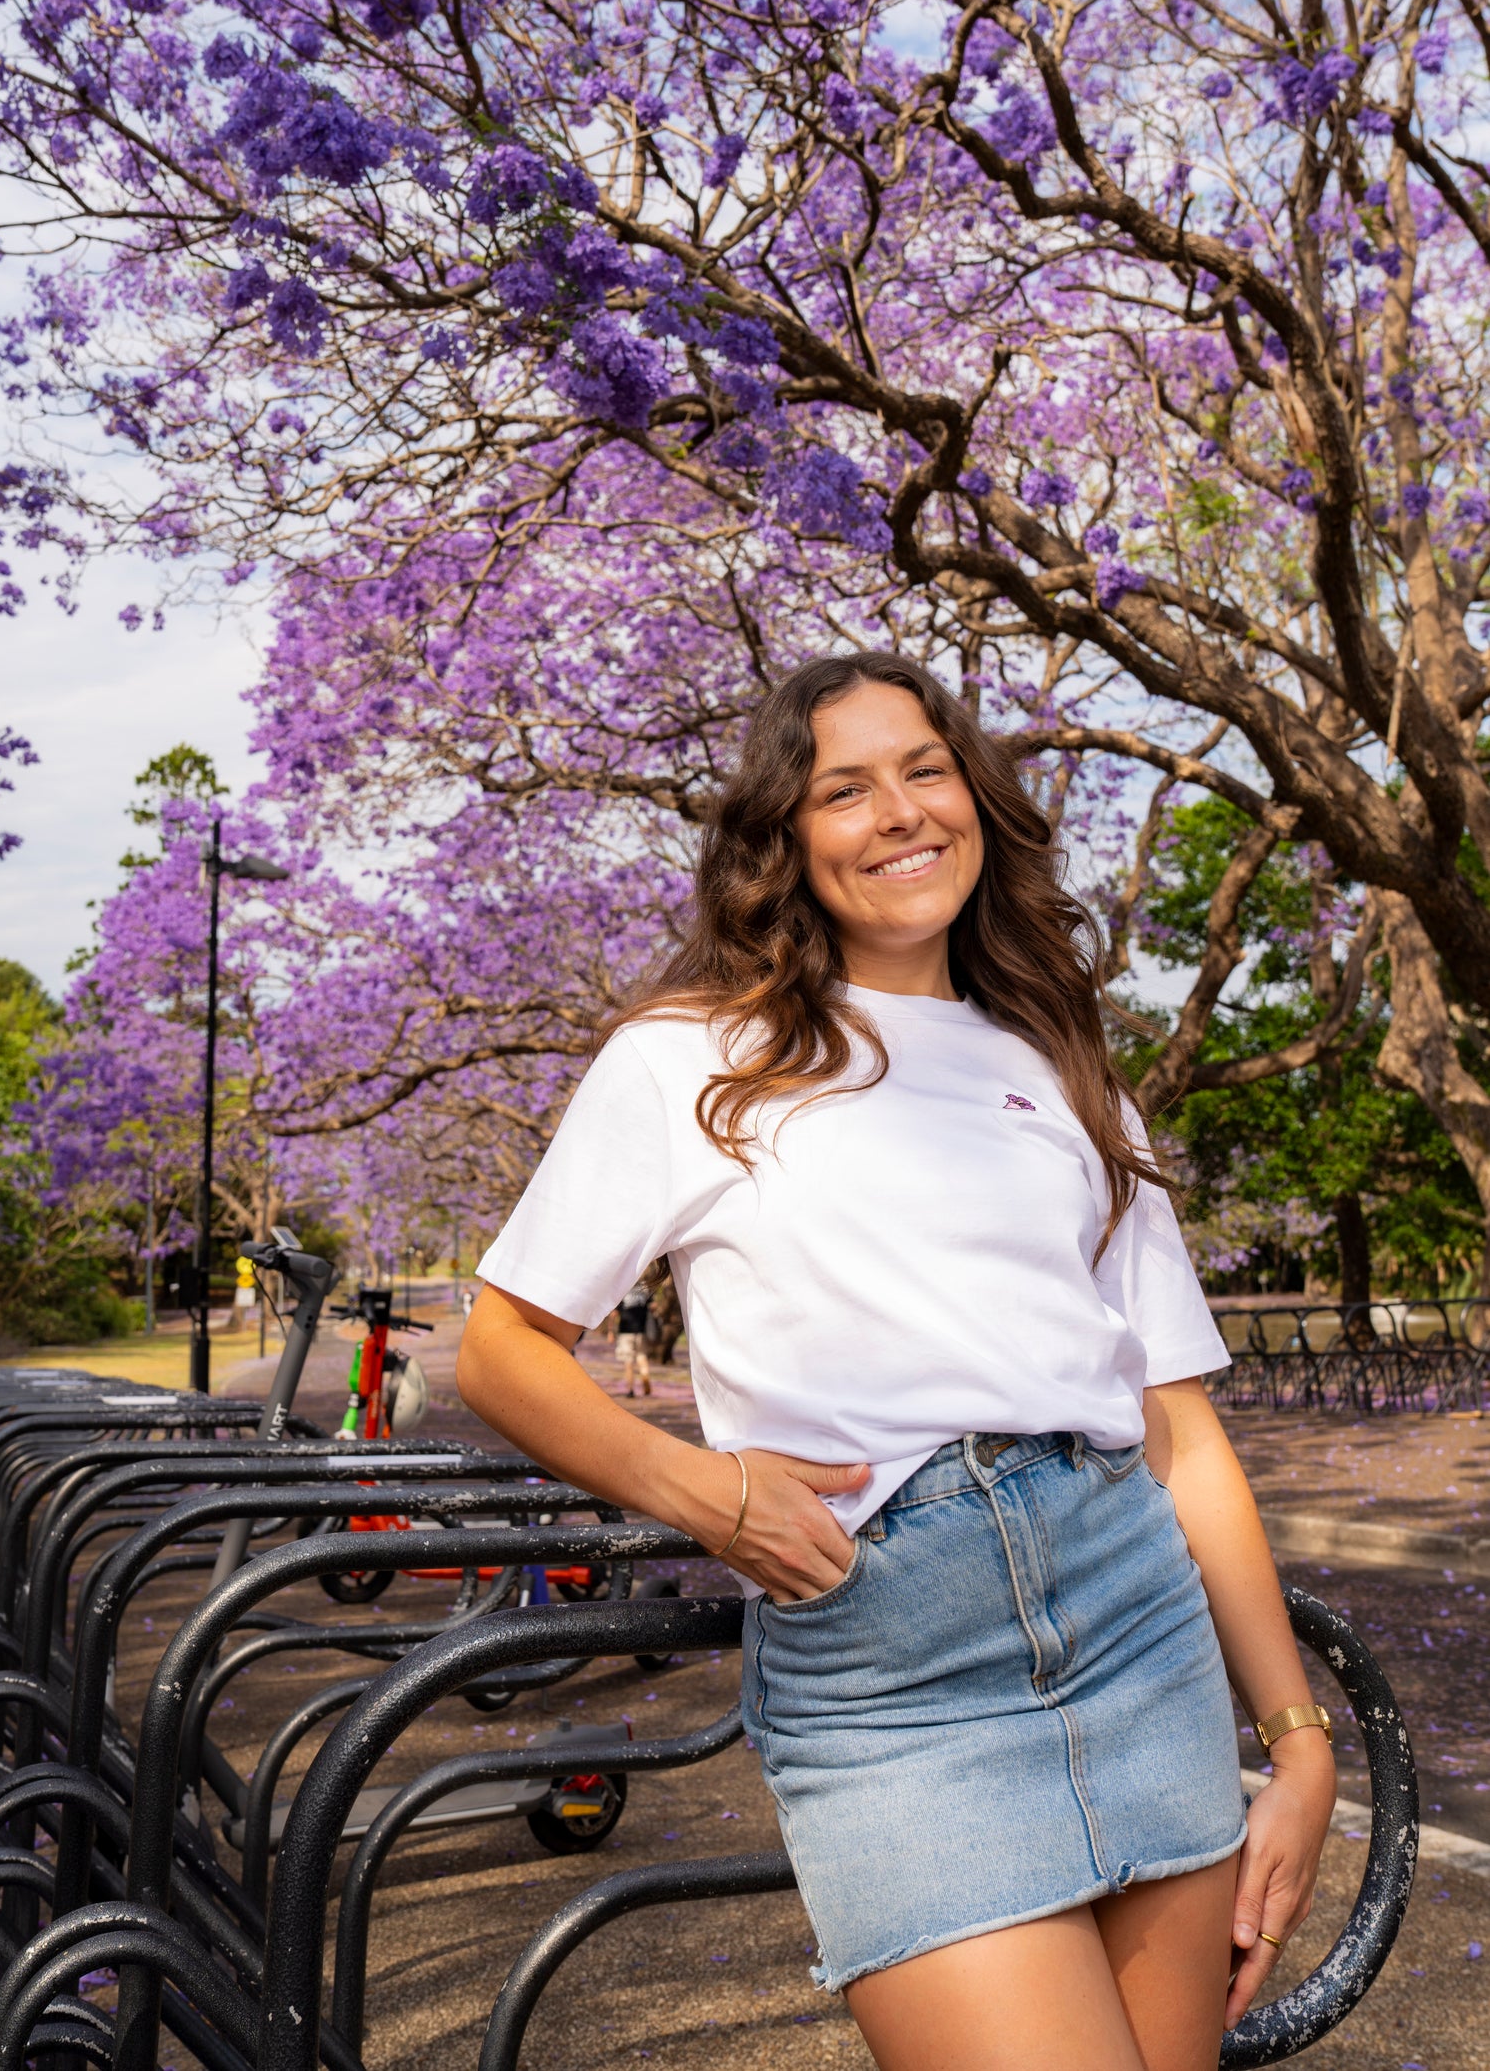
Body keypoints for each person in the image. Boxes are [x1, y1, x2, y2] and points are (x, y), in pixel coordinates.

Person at [457, 653, 1334, 2071]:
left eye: (925, 768)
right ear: (786, 839)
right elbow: (503, 1350)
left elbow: (1179, 1431)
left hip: (1133, 1621)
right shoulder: (693, 1056)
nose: (900, 811)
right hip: (894, 1669)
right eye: (844, 788)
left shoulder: (1062, 1060)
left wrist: (1297, 1737)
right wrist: (703, 1493)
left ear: (976, 796)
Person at [614, 1282, 653, 1396]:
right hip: (641, 1331)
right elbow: (653, 1306)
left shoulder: (623, 1290)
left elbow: (614, 1313)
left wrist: (611, 1331)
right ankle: (645, 1375)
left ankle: (630, 1390)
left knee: (628, 1361)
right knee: (641, 1356)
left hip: (626, 1331)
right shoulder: (645, 1290)